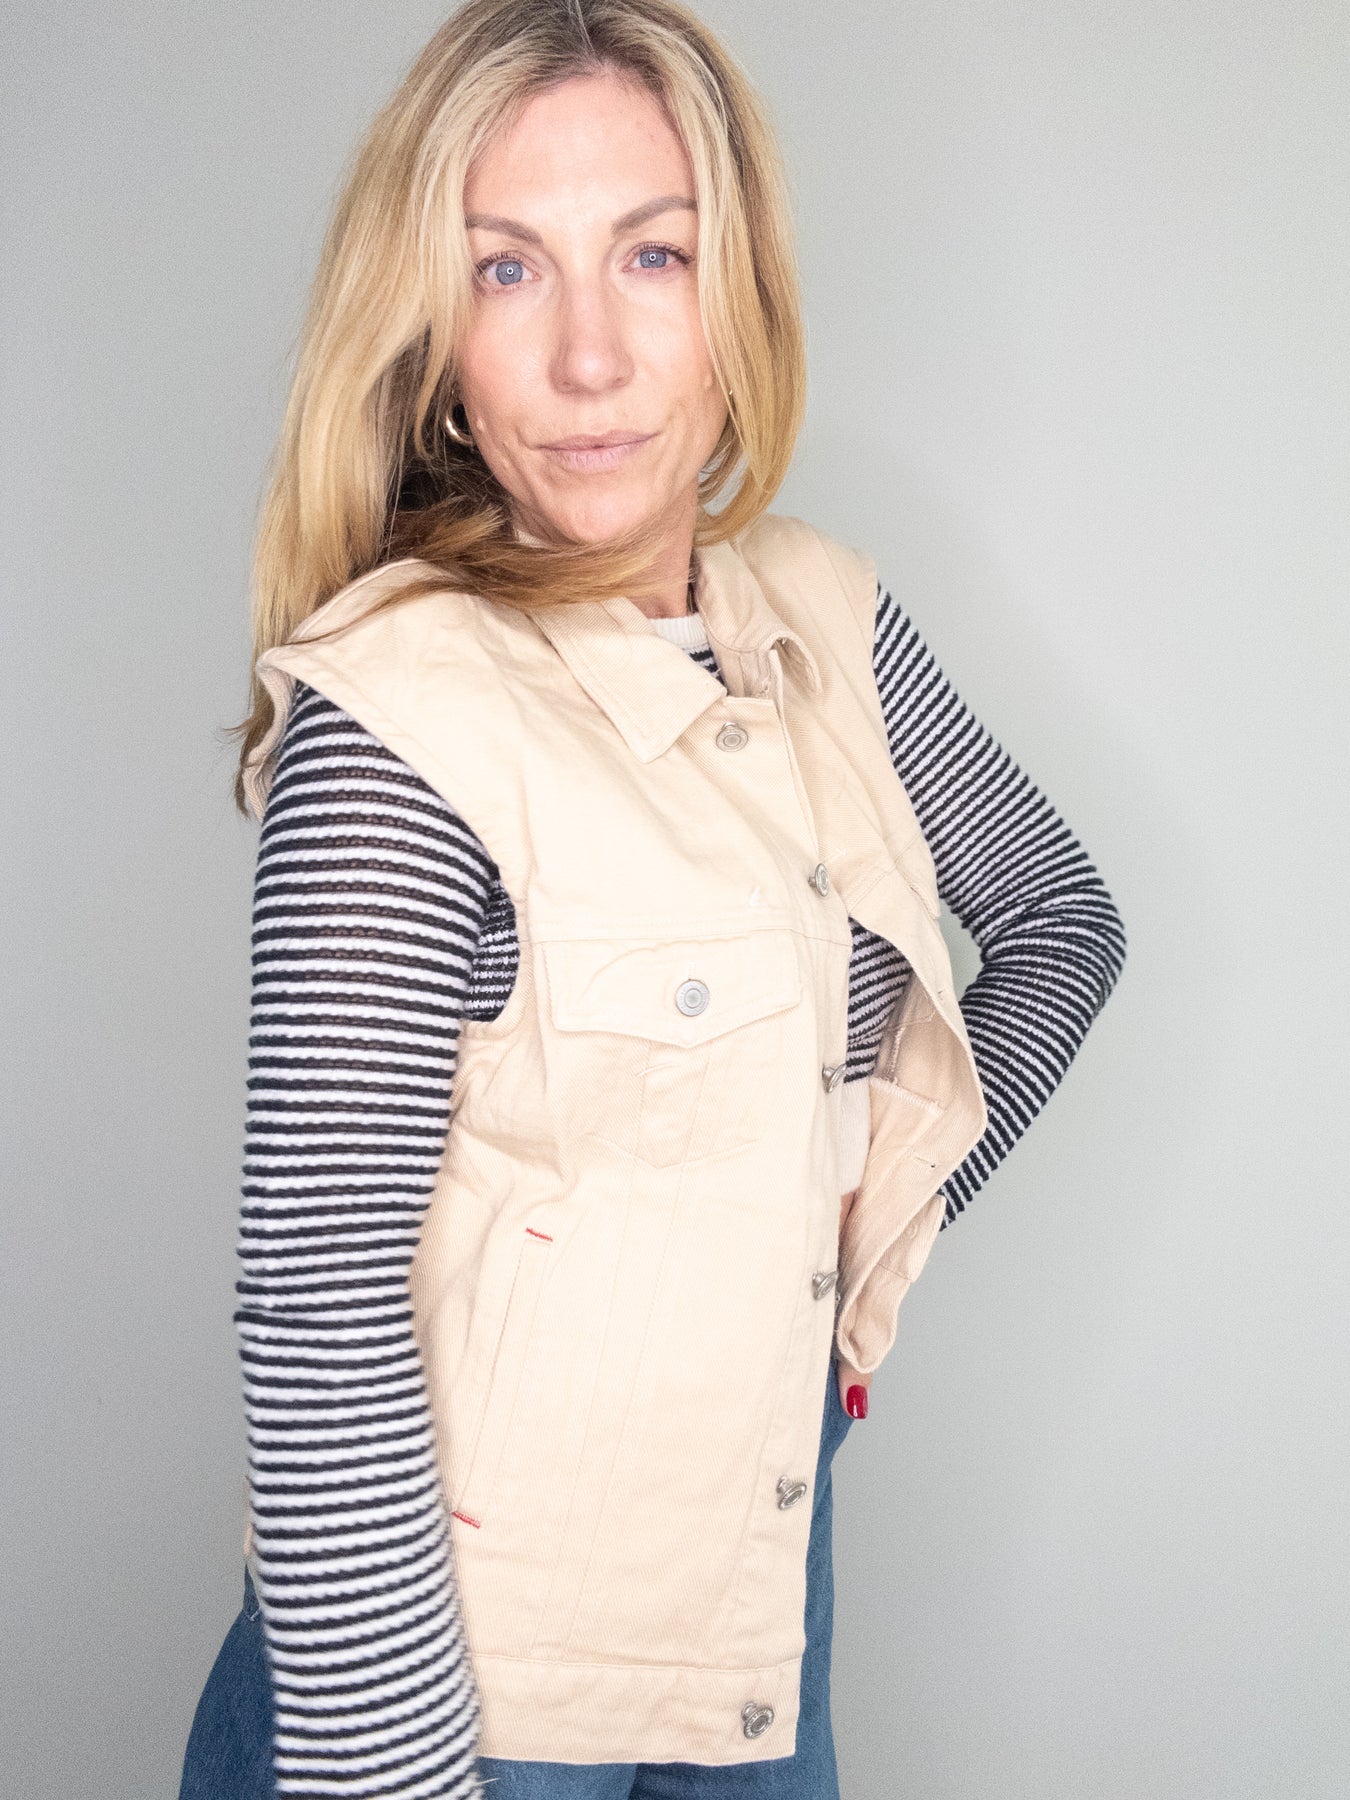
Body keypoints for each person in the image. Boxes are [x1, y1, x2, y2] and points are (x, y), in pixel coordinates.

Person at [179, 2, 1127, 1796]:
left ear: (735, 292)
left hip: (760, 1628)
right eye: (506, 268)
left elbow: (1059, 922)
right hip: (460, 1693)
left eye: (652, 253)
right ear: (437, 345)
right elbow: (318, 1317)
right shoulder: (398, 720)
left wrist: (836, 1237)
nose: (590, 356)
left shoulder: (825, 617)